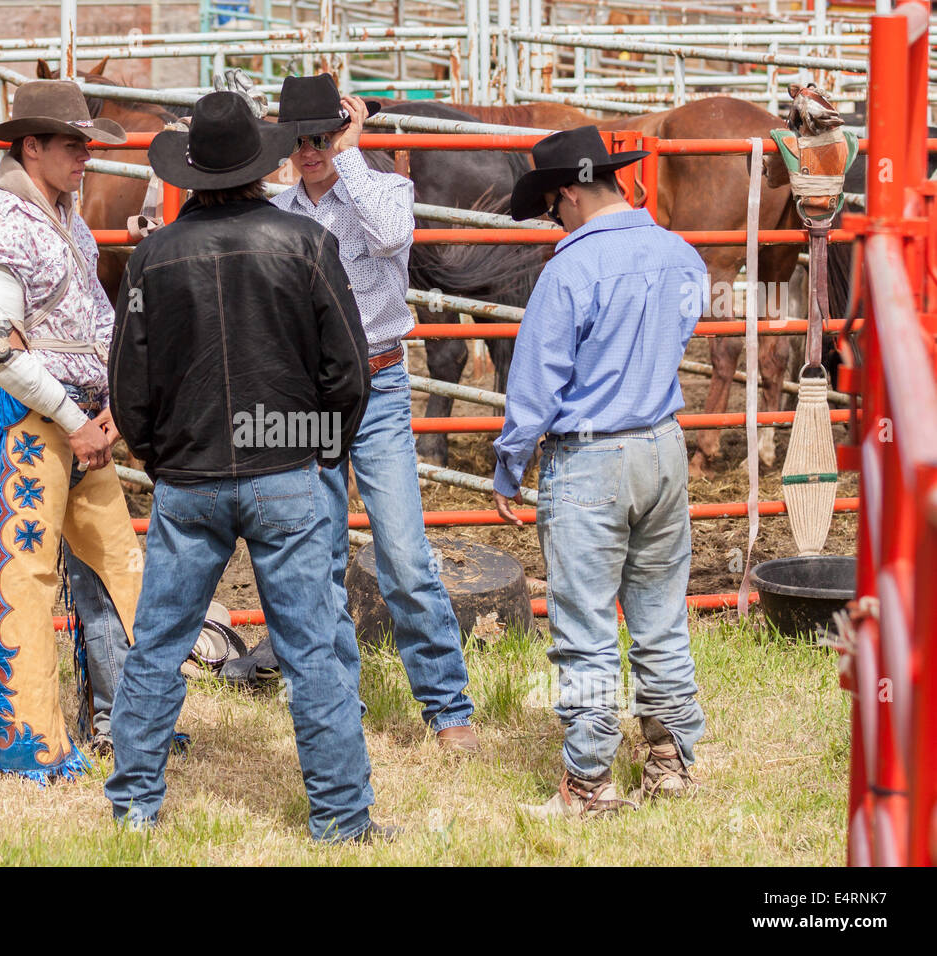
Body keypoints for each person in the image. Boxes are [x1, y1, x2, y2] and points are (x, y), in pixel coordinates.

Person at [104, 91, 392, 843]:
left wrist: (161, 455)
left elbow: (128, 385)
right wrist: (320, 443)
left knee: (159, 643)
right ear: (262, 165)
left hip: (190, 475)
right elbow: (348, 368)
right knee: (312, 650)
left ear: (192, 172)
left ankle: (133, 807)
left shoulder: (154, 256)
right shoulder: (303, 243)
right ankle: (340, 817)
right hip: (286, 469)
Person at [491, 125, 707, 817]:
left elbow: (535, 381)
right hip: (662, 444)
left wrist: (509, 465)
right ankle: (670, 760)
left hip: (589, 459)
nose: (555, 219)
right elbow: (683, 327)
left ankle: (588, 784)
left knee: (584, 627)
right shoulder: (679, 253)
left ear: (568, 195)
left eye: (553, 207)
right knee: (660, 615)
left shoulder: (569, 270)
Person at [272, 73, 479, 752]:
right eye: (299, 138)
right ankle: (340, 713)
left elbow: (392, 238)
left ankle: (448, 711)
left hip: (382, 384)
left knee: (405, 554)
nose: (310, 150)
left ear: (344, 132)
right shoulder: (277, 210)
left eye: (322, 136)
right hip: (309, 394)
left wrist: (350, 152)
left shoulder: (386, 189)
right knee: (321, 553)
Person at [0, 79, 143, 779]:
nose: (85, 157)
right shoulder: (5, 232)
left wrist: (108, 411)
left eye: (87, 145)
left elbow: (93, 319)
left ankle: (125, 724)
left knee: (116, 570)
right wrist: (80, 420)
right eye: (72, 145)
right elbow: (0, 350)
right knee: (30, 578)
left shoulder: (63, 220)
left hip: (80, 419)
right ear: (31, 148)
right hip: (41, 424)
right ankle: (33, 741)